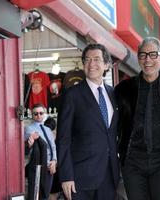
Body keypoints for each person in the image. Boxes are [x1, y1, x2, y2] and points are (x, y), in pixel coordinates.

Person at [115, 37, 160, 200]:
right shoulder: (123, 90)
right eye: (143, 55)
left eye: (153, 55)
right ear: (138, 58)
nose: (148, 60)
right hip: (133, 164)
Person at [56, 43, 119, 200]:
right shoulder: (72, 95)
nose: (92, 64)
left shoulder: (114, 94)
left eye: (97, 59)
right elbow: (63, 139)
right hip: (80, 178)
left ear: (106, 64)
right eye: (87, 60)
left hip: (109, 176)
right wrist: (66, 176)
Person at [25, 103, 57, 200]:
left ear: (44, 113)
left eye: (41, 113)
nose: (38, 115)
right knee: (35, 195)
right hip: (37, 166)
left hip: (50, 166)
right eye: (36, 114)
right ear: (32, 114)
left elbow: (53, 146)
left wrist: (54, 161)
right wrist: (30, 143)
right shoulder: (28, 129)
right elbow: (28, 146)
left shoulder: (48, 129)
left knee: (45, 194)